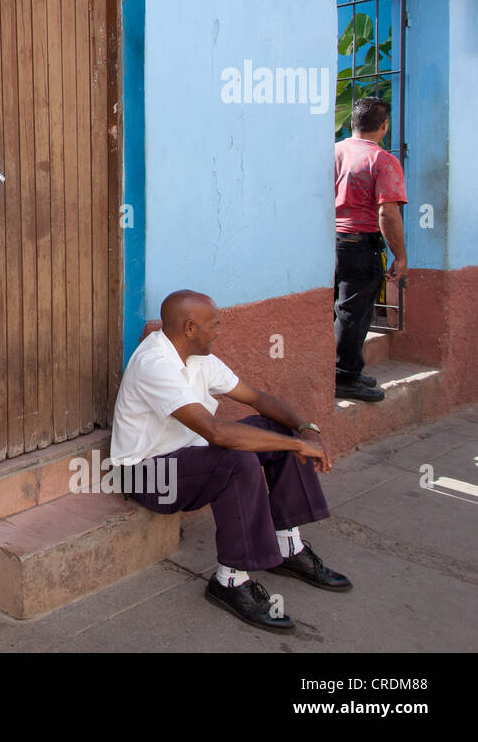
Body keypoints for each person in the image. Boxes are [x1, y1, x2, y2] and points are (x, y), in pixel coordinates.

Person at [110, 290, 352, 633]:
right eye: (215, 325)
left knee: (276, 429)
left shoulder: (199, 357)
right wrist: (296, 446)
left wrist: (304, 430)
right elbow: (215, 433)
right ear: (190, 327)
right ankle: (230, 581)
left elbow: (256, 398)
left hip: (188, 457)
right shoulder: (155, 365)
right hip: (148, 475)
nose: (220, 331)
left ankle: (288, 546)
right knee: (239, 460)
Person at [334, 96, 407, 401]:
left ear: (352, 123)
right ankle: (345, 379)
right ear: (384, 126)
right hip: (360, 246)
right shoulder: (383, 160)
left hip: (328, 243)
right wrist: (400, 256)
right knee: (355, 314)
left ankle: (348, 370)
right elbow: (387, 213)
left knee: (339, 310)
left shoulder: (333, 152)